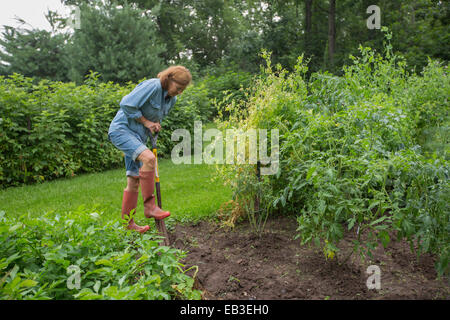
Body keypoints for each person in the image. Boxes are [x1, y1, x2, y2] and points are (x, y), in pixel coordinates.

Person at [108, 66, 192, 233]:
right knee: (149, 159)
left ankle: (128, 225)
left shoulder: (171, 99)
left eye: (183, 89)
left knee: (133, 181)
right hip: (122, 130)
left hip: (138, 138)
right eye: (178, 87)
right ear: (169, 79)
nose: (179, 92)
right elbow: (126, 104)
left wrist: (154, 125)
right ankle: (150, 207)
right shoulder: (153, 86)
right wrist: (146, 122)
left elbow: (152, 118)